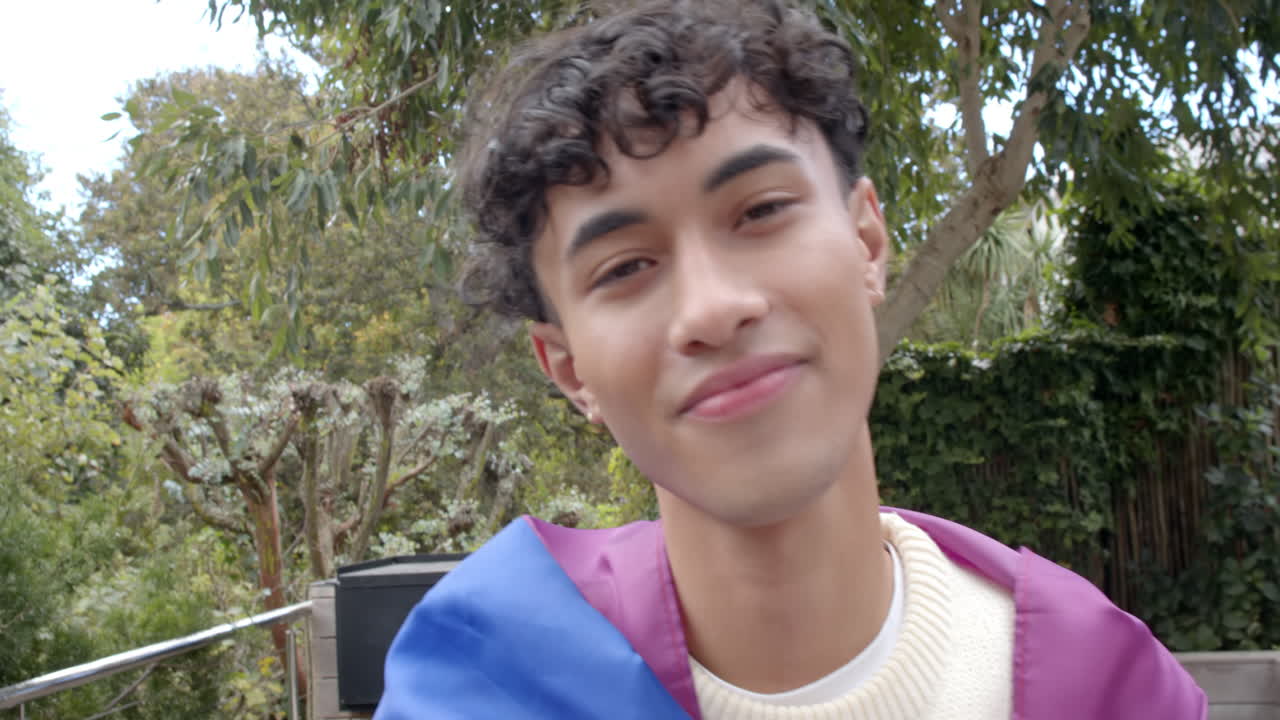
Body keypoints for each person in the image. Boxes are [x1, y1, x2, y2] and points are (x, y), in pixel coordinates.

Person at [373, 1, 1206, 717]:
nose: (711, 309)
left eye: (762, 211)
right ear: (569, 369)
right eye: (624, 268)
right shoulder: (488, 682)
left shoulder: (1104, 687)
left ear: (867, 240)